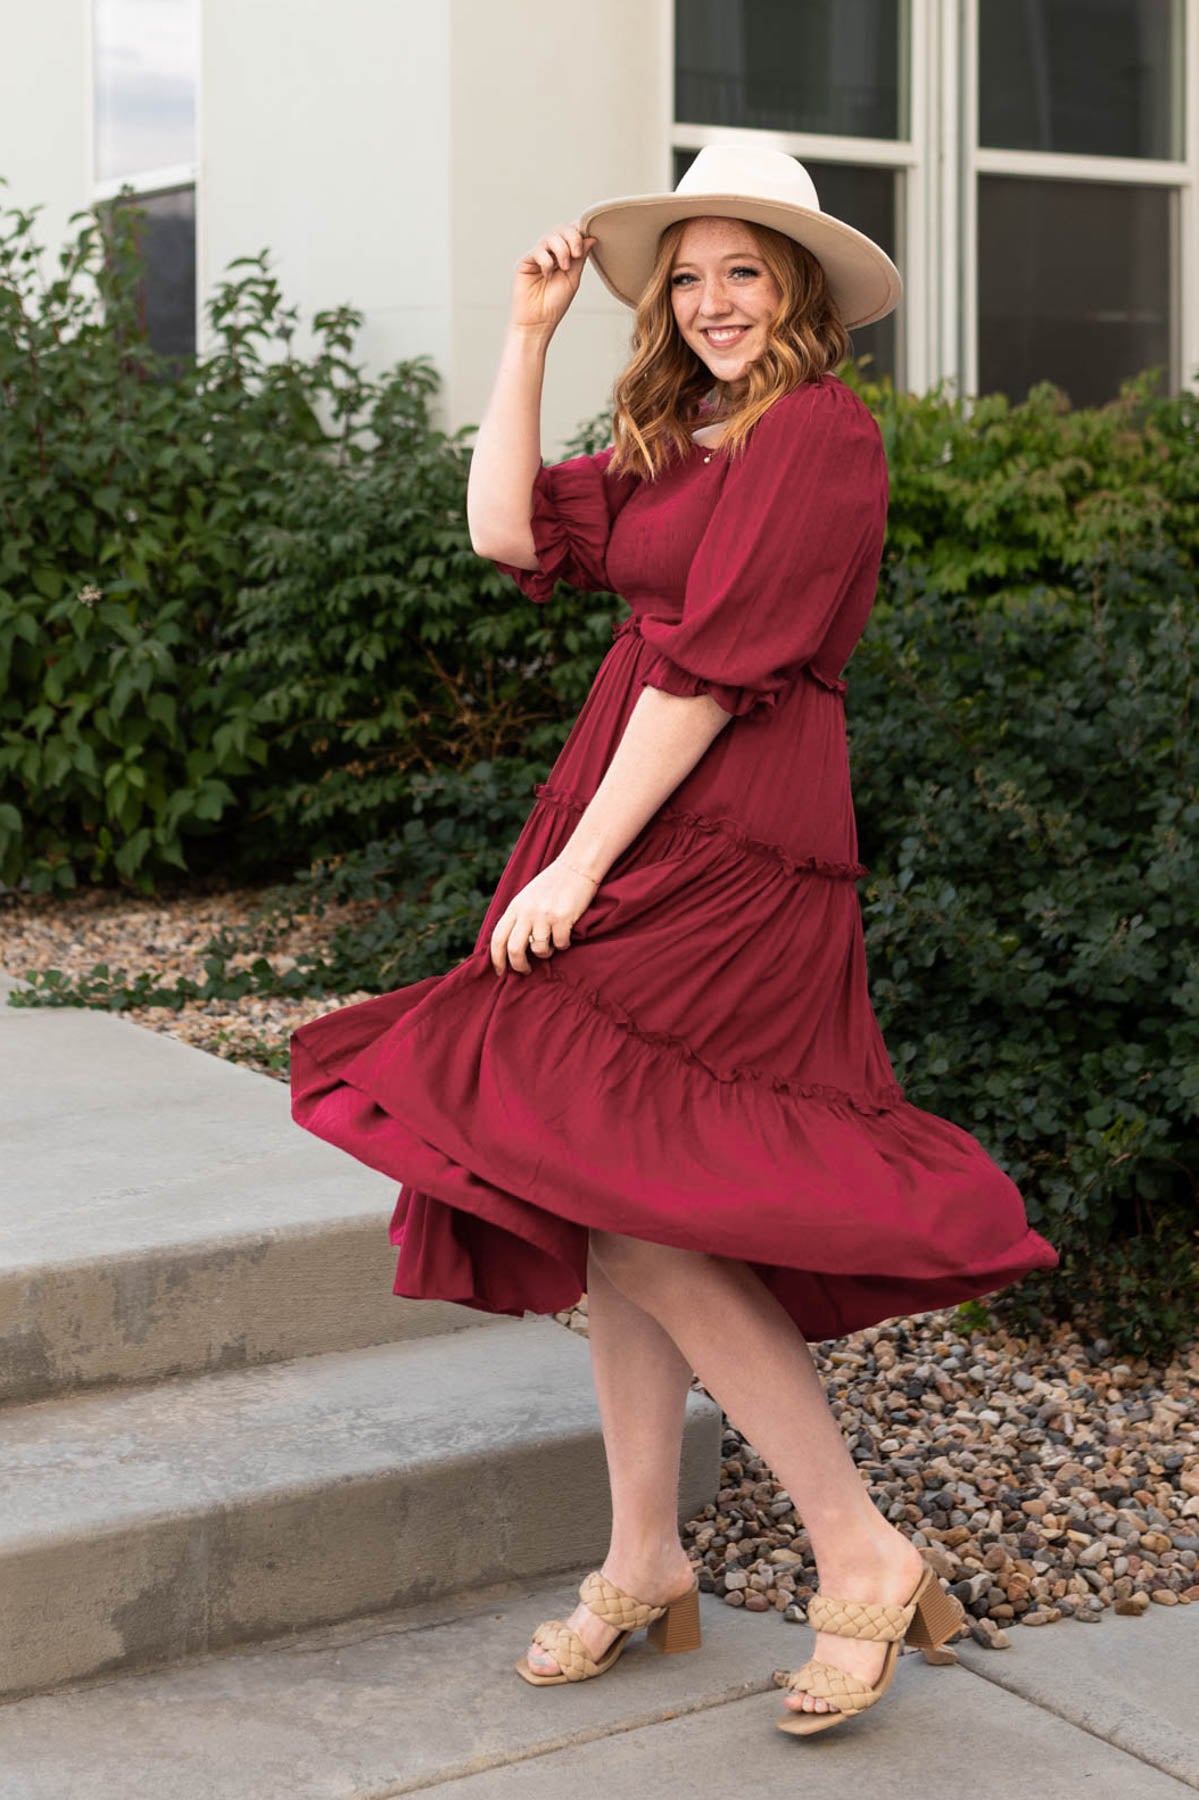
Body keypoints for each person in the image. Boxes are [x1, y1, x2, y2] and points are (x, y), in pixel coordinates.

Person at [289, 143, 1059, 1738]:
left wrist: (574, 870)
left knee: (636, 1193)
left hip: (733, 838)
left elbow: (711, 680)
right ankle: (646, 1558)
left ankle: (857, 1549)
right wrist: (526, 334)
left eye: (743, 273)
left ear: (799, 294)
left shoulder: (824, 437)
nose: (710, 302)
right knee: (603, 1182)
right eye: (689, 274)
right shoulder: (684, 437)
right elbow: (508, 534)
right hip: (629, 807)